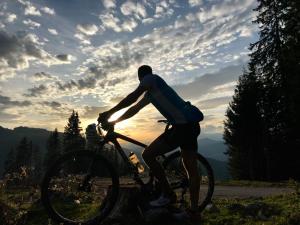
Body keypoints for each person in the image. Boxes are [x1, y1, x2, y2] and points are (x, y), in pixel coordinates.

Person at [98, 65, 203, 220]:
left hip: (183, 127)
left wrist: (109, 113)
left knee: (148, 155)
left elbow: (132, 97)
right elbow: (134, 109)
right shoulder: (152, 91)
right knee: (191, 169)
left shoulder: (151, 79)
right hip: (190, 125)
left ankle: (169, 194)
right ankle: (194, 212)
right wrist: (115, 121)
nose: (141, 84)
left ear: (141, 77)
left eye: (140, 81)